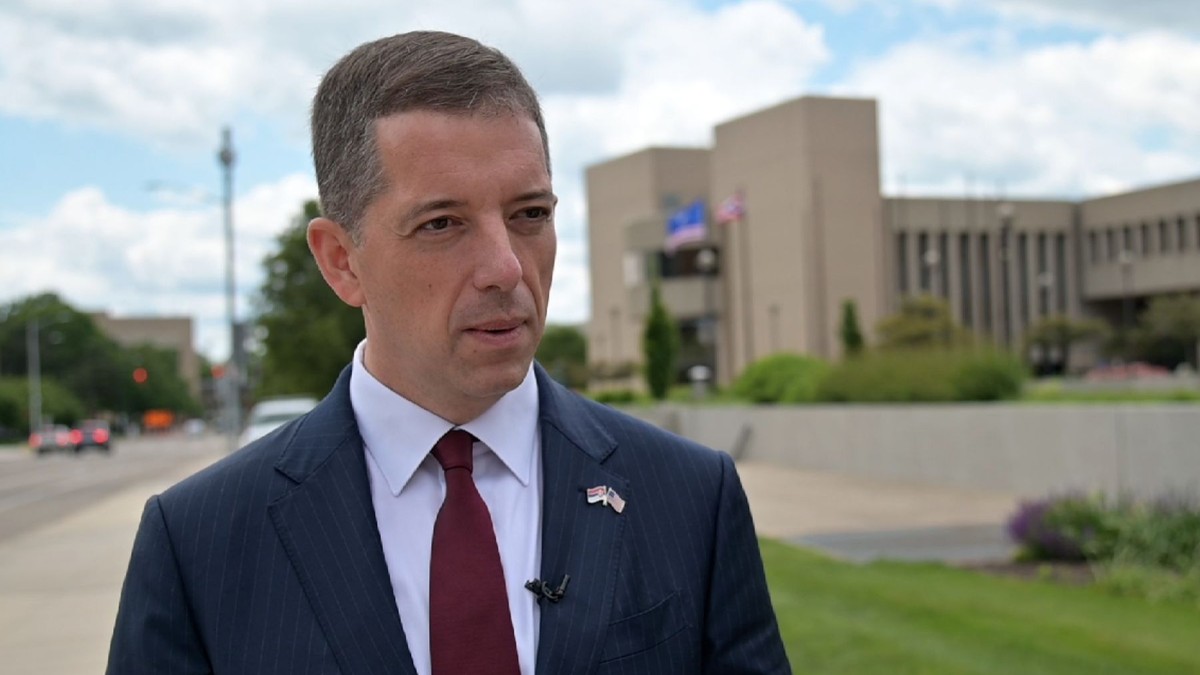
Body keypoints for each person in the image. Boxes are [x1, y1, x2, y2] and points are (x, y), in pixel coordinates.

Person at [107, 30, 790, 675]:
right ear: (341, 260)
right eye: (442, 223)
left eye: (530, 215)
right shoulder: (198, 542)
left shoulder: (690, 497)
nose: (506, 267)